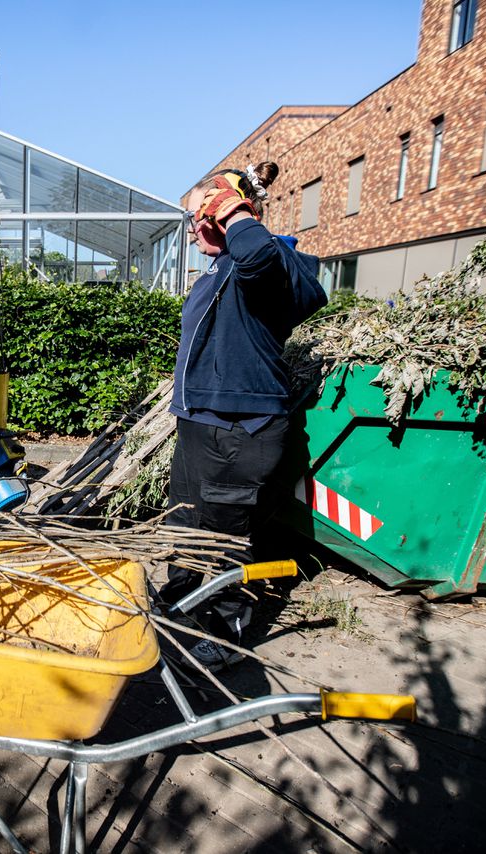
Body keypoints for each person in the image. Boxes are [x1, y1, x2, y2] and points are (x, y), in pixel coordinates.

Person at [161, 161, 319, 668]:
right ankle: (180, 599)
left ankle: (226, 630)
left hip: (239, 428)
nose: (190, 233)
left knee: (223, 535)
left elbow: (258, 259)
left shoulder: (269, 264)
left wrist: (232, 209)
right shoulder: (222, 268)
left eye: (195, 218)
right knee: (186, 518)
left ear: (222, 210)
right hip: (199, 424)